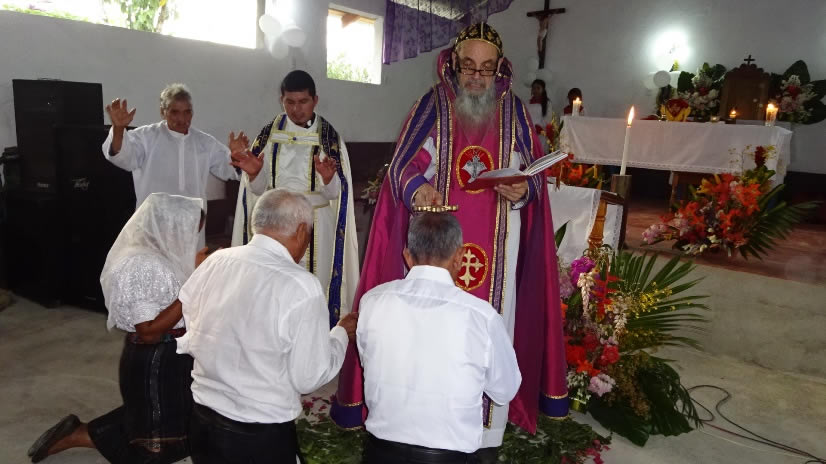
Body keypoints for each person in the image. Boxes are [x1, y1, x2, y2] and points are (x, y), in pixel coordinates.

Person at [331, 22, 568, 462]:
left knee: (492, 325)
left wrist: (524, 189)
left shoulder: (515, 112)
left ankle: (485, 431)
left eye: (486, 68)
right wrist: (418, 187)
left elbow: (534, 174)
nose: (476, 76)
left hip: (500, 241)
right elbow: (404, 165)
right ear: (453, 65)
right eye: (468, 67)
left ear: (500, 69)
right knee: (424, 333)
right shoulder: (433, 105)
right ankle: (419, 413)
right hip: (438, 241)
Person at [177, 189, 359, 464]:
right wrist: (341, 334)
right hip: (259, 433)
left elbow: (189, 320)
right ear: (301, 231)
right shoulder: (301, 285)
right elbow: (309, 377)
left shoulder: (216, 260)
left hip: (202, 420)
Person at [28, 193, 205, 463]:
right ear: (168, 226)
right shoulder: (143, 264)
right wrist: (198, 280)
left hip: (169, 351)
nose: (191, 238)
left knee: (165, 415)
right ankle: (79, 435)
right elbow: (148, 331)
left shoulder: (157, 255)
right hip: (155, 357)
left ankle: (80, 431)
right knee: (154, 448)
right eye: (189, 230)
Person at [358, 213, 521, 463]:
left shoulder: (372, 301)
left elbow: (368, 360)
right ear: (459, 257)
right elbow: (505, 390)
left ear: (407, 256)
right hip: (451, 457)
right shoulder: (481, 317)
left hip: (380, 454)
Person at [231, 70, 359, 327]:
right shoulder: (269, 135)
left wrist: (328, 179)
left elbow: (337, 196)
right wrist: (254, 174)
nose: (296, 109)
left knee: (315, 287)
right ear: (282, 100)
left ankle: (315, 337)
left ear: (315, 100)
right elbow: (258, 191)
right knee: (273, 287)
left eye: (303, 102)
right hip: (276, 224)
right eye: (289, 102)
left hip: (316, 224)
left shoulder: (328, 138)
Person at [102, 83, 258, 247]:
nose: (182, 119)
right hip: (154, 224)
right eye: (174, 112)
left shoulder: (204, 142)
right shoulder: (145, 137)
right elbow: (123, 157)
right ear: (163, 112)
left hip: (191, 224)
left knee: (190, 262)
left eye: (187, 112)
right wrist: (118, 130)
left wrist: (238, 156)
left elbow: (229, 169)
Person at [529, 79, 552, 154]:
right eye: (534, 88)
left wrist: (539, 127)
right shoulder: (527, 102)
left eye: (538, 88)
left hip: (541, 133)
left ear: (543, 89)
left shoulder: (547, 103)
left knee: (540, 154)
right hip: (529, 133)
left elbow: (548, 118)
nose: (535, 90)